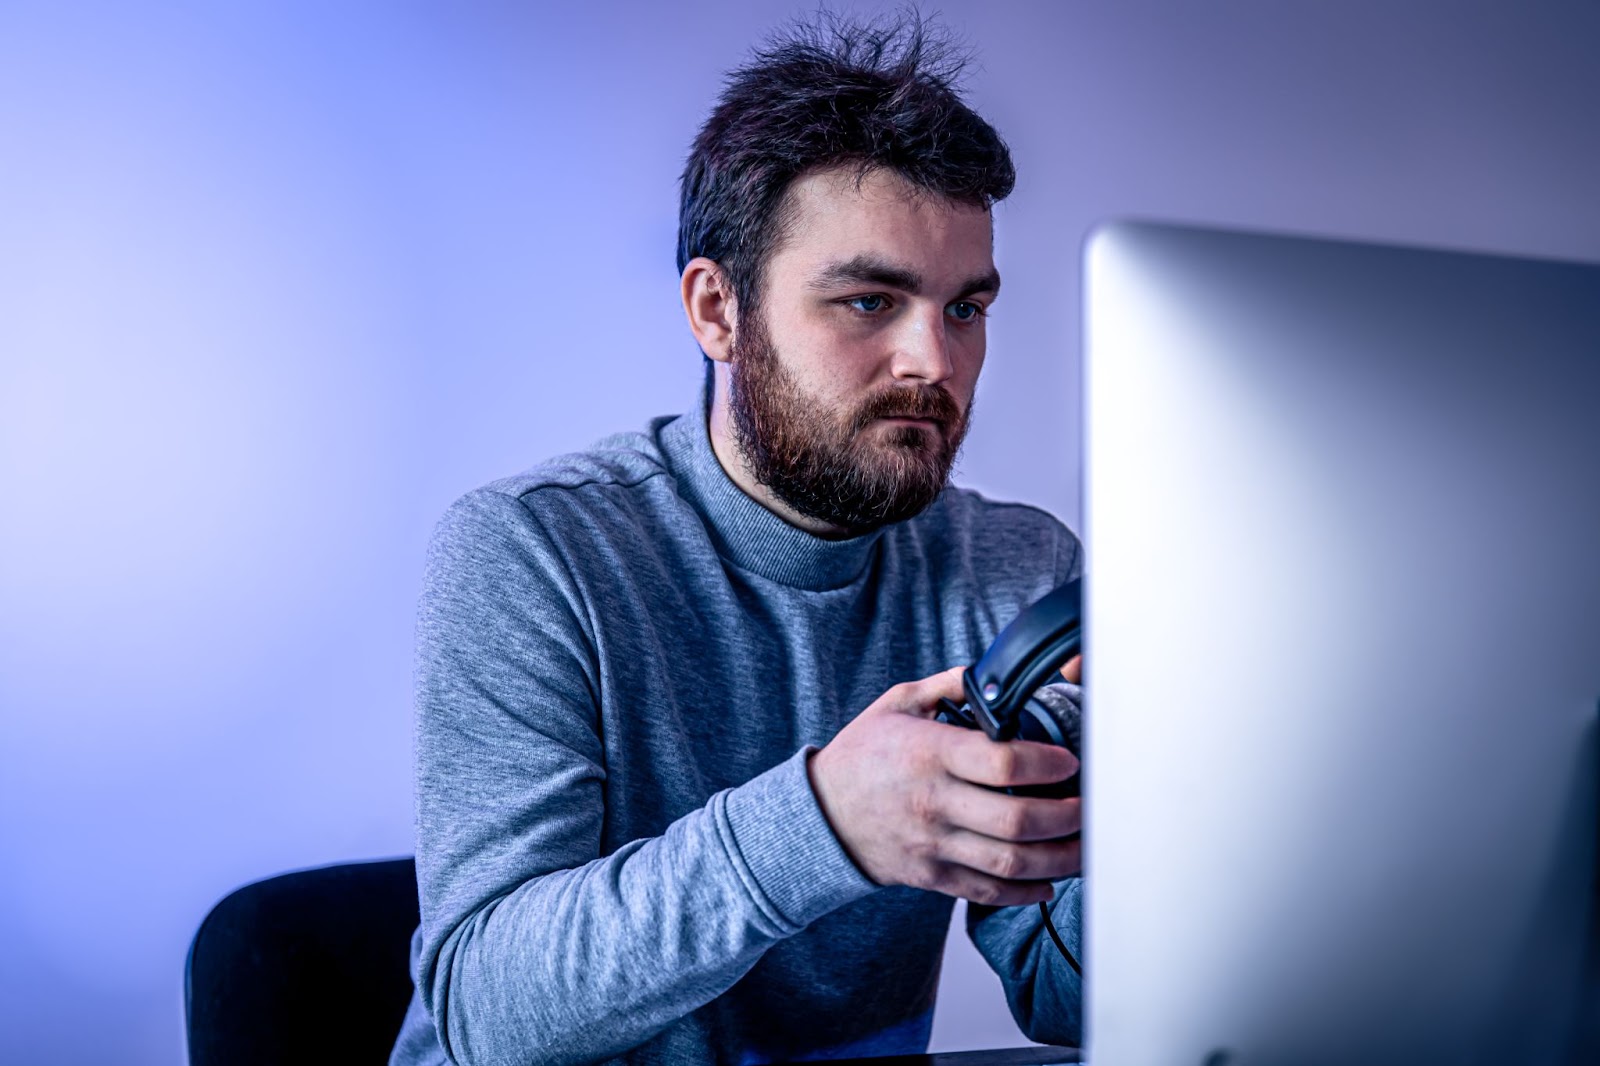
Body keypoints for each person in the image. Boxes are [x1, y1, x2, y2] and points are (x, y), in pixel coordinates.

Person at [388, 13, 1086, 1066]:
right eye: (868, 300)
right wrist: (824, 824)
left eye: (966, 308)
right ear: (717, 310)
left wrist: (1174, 805)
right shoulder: (530, 553)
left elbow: (1063, 993)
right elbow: (488, 1012)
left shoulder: (1016, 573)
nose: (932, 363)